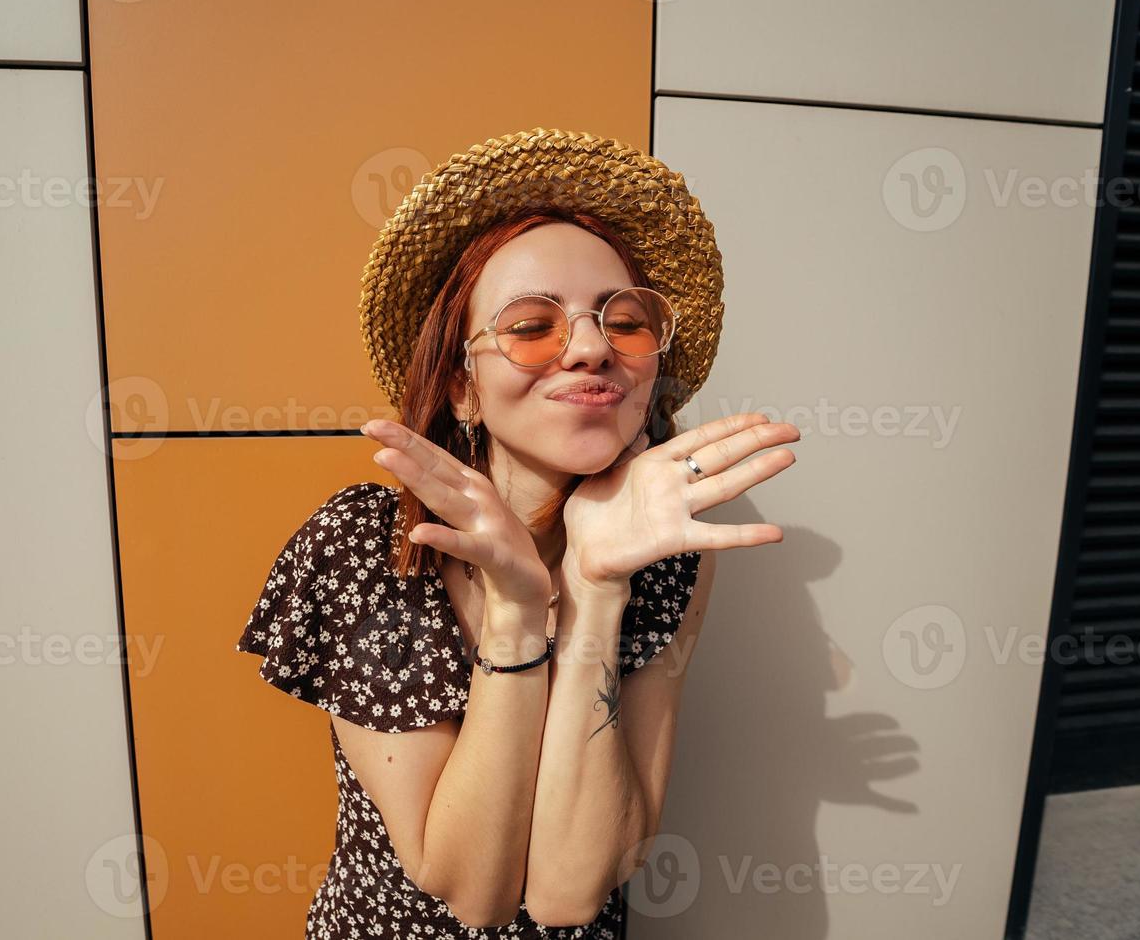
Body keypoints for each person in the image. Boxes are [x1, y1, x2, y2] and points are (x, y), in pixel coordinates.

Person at [236, 127, 800, 938]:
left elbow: (573, 895)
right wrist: (516, 611)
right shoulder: (369, 547)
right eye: (532, 326)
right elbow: (469, 888)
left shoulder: (668, 559)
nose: (590, 348)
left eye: (626, 322)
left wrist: (598, 587)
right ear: (462, 387)